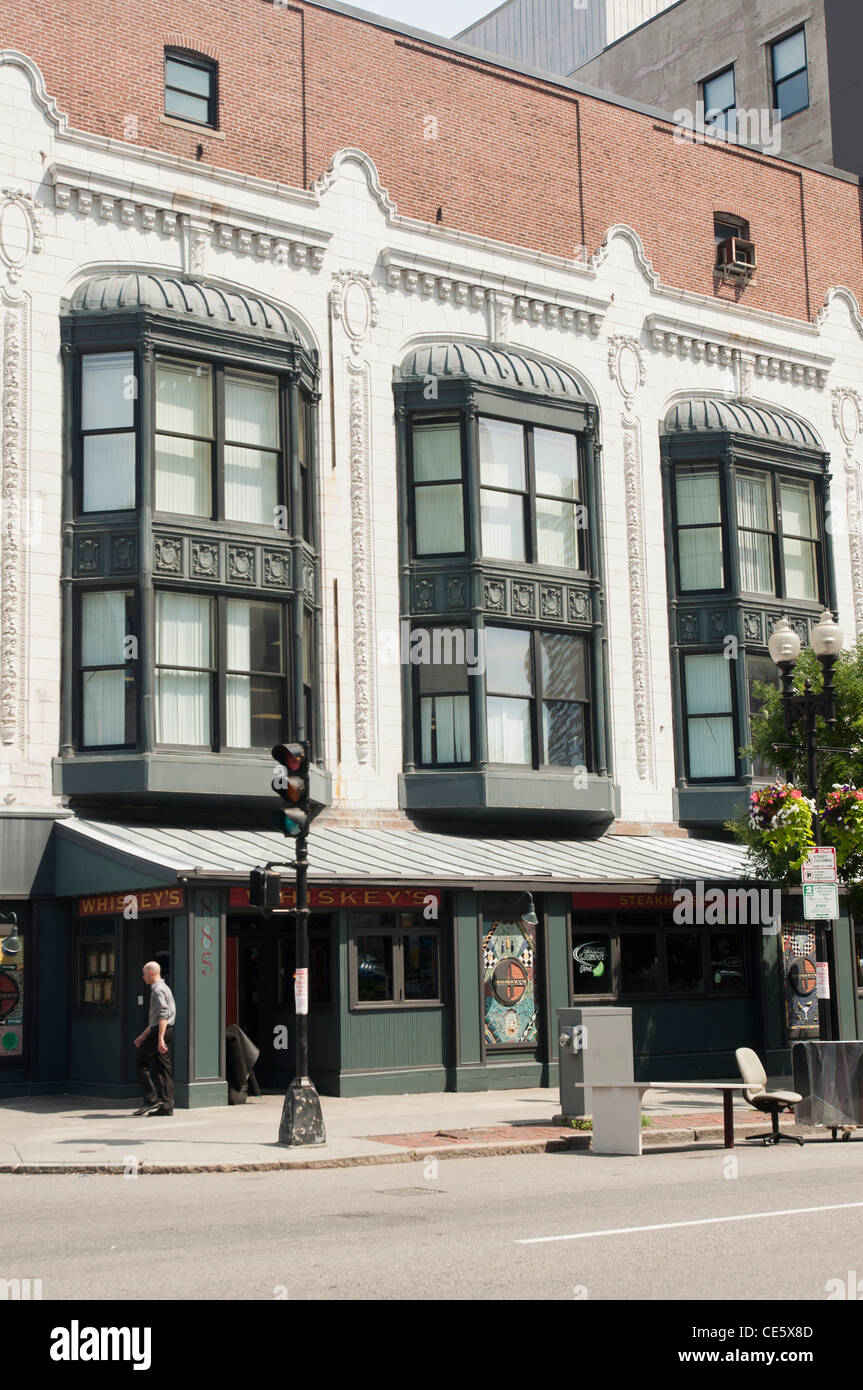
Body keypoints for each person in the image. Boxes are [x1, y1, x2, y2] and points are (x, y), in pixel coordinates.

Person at [133, 961, 176, 1116]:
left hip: (161, 1031)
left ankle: (151, 1099)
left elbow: (163, 1015)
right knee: (164, 1068)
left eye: (144, 973)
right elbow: (157, 1018)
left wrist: (160, 1039)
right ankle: (167, 1105)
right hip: (167, 1029)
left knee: (140, 1062)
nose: (143, 976)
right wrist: (143, 1035)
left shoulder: (157, 991)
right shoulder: (164, 988)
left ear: (151, 973)